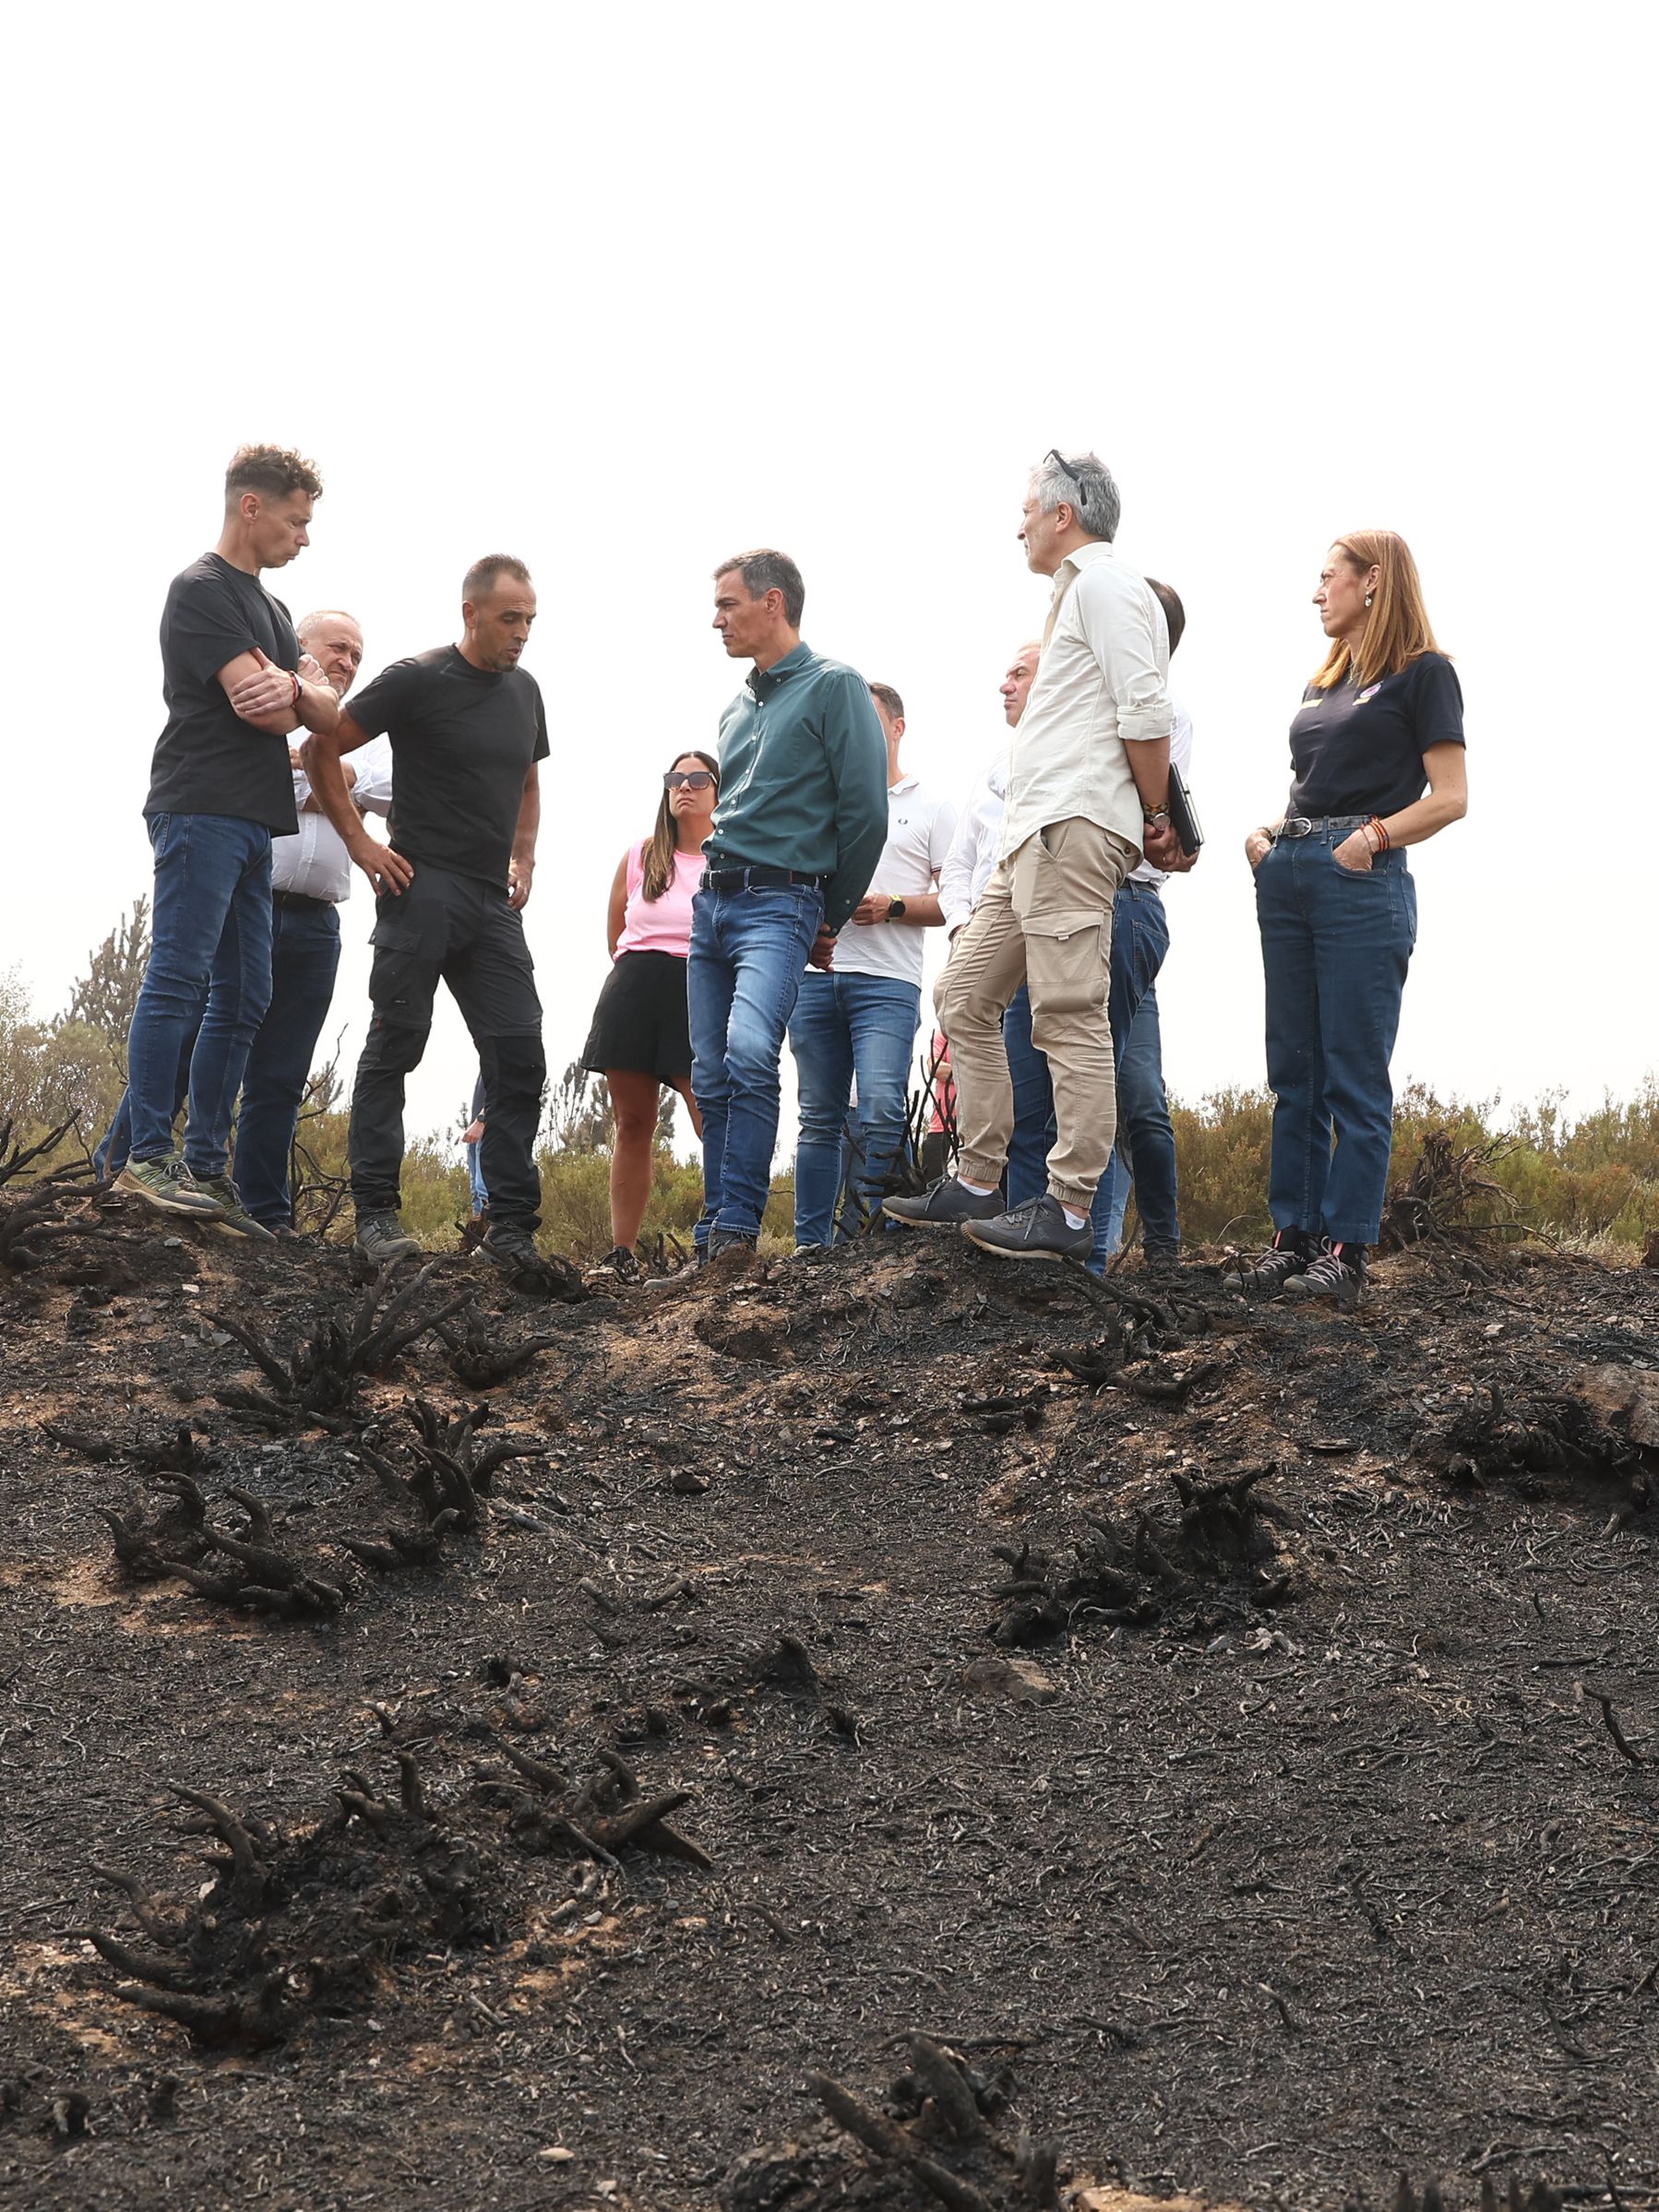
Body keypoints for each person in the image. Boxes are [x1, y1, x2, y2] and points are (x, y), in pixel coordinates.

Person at [886, 450, 1178, 1260]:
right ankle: (978, 1178)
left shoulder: (1108, 585)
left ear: (1063, 513)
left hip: (1071, 831)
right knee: (966, 996)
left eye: (1026, 508)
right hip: (1030, 838)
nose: (1017, 522)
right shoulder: (1075, 596)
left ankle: (1073, 1207)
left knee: (1068, 1016)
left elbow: (1145, 708)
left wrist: (1157, 814)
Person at [1223, 529, 1467, 1309]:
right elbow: (1316, 785)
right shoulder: (1321, 684)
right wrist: (1267, 835)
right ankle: (1292, 1241)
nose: (1316, 591)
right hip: (1290, 869)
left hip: (1361, 880)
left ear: (1373, 582)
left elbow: (1452, 796)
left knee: (1353, 1075)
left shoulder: (1425, 674)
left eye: (1329, 577)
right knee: (1294, 1071)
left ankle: (1346, 1252)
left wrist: (1373, 838)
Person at [95, 610, 388, 1235]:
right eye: (337, 648)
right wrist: (334, 786)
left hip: (316, 925)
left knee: (279, 1079)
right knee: (184, 1044)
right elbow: (264, 775)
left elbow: (391, 785)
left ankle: (261, 1212)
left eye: (358, 654)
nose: (349, 662)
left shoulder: (363, 730)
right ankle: (116, 1174)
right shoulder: (259, 703)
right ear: (300, 651)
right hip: (237, 903)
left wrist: (315, 768)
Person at [302, 554, 552, 1283]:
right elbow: (326, 743)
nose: (523, 634)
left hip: (491, 902)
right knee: (397, 1045)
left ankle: (509, 1227)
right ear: (472, 613)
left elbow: (529, 778)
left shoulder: (527, 690)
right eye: (511, 619)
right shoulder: (416, 677)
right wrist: (359, 842)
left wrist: (525, 858)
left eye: (531, 620)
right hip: (421, 887)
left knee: (520, 1058)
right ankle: (375, 1216)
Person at [116, 445, 340, 1229]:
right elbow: (270, 711)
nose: (304, 537)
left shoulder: (275, 611)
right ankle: (146, 1160)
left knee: (247, 993)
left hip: (256, 821)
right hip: (199, 805)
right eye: (295, 520)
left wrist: (302, 688)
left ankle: (205, 1170)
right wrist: (298, 693)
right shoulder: (201, 590)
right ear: (252, 507)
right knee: (178, 978)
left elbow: (328, 711)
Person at [688, 551, 888, 1259]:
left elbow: (865, 816)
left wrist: (823, 916)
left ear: (773, 603)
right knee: (709, 1072)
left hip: (782, 902)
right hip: (711, 904)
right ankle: (715, 1237)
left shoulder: (837, 686)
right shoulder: (735, 707)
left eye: (728, 604)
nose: (717, 620)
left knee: (749, 1053)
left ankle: (739, 1234)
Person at [1004, 578, 1197, 1274]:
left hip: (1118, 903)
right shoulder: (1074, 716)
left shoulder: (1159, 715)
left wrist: (1156, 819)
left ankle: (1092, 1251)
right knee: (1069, 1084)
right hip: (1066, 897)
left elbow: (1160, 834)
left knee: (1106, 1091)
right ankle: (1040, 1250)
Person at [786, 684, 955, 1250]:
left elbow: (955, 902)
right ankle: (810, 1250)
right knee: (818, 1121)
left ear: (897, 728)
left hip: (887, 983)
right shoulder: (820, 802)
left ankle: (869, 1245)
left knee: (882, 1109)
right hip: (816, 980)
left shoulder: (931, 805)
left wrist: (894, 907)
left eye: (870, 718)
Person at [579, 752, 720, 1281]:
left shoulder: (728, 857)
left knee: (710, 1115)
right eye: (675, 779)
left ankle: (721, 1237)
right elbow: (616, 933)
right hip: (635, 989)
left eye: (697, 778)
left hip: (697, 991)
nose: (684, 787)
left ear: (718, 792)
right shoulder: (640, 855)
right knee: (632, 1123)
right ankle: (622, 1254)